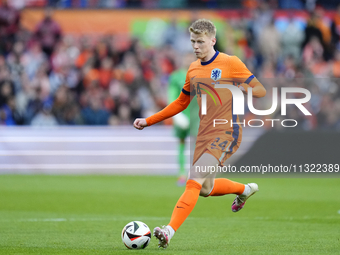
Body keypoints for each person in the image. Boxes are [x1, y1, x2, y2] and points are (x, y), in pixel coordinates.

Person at [133, 19, 266, 249]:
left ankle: (168, 231)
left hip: (227, 131)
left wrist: (241, 88)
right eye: (193, 41)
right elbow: (181, 102)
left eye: (200, 42)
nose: (196, 46)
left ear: (213, 40)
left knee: (193, 181)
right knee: (205, 189)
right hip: (204, 133)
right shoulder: (193, 69)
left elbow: (260, 90)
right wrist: (149, 120)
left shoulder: (230, 62)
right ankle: (245, 190)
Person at [168, 53, 199, 186]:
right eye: (186, 58)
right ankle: (181, 173)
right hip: (181, 114)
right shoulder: (176, 76)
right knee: (181, 143)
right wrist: (176, 115)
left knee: (198, 145)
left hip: (197, 116)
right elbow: (171, 94)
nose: (188, 60)